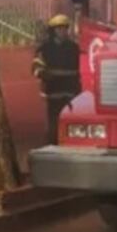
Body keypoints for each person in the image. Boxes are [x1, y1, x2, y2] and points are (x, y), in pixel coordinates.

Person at [32, 14, 81, 144]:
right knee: (54, 121)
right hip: (53, 91)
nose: (62, 31)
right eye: (59, 29)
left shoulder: (74, 48)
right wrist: (43, 74)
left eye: (64, 28)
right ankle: (53, 143)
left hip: (70, 91)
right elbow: (36, 67)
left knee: (71, 122)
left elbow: (80, 69)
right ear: (53, 31)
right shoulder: (45, 49)